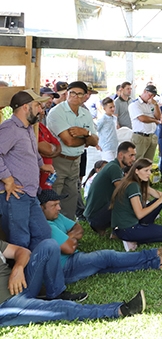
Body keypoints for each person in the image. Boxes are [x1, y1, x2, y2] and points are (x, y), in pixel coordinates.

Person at [40, 189, 162, 284]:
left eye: (58, 204)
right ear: (41, 208)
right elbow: (69, 248)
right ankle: (155, 253)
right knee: (107, 257)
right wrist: (70, 240)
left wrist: (67, 238)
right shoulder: (46, 226)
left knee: (107, 266)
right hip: (66, 267)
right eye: (53, 205)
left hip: (72, 258)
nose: (58, 208)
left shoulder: (57, 217)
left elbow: (79, 229)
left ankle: (158, 263)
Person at [0, 238, 146, 326]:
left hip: (20, 286)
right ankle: (119, 310)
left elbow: (21, 251)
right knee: (63, 308)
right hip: (6, 305)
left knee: (49, 246)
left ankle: (55, 293)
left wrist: (18, 268)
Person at [0, 89, 56, 249]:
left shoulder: (28, 128)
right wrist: (7, 179)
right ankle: (19, 273)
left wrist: (41, 164)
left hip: (30, 193)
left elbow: (32, 151)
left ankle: (34, 272)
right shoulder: (10, 128)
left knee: (43, 233)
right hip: (15, 195)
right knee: (20, 240)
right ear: (25, 107)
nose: (40, 109)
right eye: (37, 105)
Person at [46, 81, 99, 220]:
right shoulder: (57, 112)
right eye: (72, 93)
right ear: (66, 94)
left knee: (71, 197)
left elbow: (95, 141)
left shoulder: (85, 113)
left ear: (85, 96)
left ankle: (68, 230)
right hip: (58, 160)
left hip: (76, 160)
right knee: (53, 197)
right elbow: (68, 141)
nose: (75, 96)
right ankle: (52, 232)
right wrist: (86, 139)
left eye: (79, 94)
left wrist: (85, 132)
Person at [110, 158, 162, 249]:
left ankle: (144, 231)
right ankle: (132, 239)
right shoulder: (133, 186)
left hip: (126, 225)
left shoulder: (135, 182)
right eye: (146, 170)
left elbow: (159, 194)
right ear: (136, 171)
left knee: (158, 201)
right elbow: (140, 214)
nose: (149, 173)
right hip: (128, 229)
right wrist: (161, 199)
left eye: (150, 170)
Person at [84, 142, 138, 234]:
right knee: (127, 200)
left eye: (134, 155)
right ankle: (120, 231)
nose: (133, 159)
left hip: (93, 215)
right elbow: (124, 191)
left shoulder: (114, 166)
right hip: (95, 217)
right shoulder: (114, 168)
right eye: (131, 155)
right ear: (121, 155)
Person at [96, 97, 119, 162]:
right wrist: (96, 144)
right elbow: (95, 129)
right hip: (106, 147)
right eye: (110, 107)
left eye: (113, 106)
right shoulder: (103, 119)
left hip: (115, 146)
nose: (113, 109)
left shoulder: (114, 118)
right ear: (104, 108)